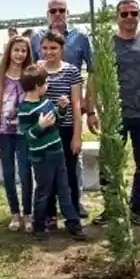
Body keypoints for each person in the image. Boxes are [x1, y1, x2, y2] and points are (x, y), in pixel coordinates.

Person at [90, 0, 140, 227]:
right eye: (124, 14)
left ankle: (136, 208)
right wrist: (90, 110)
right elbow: (94, 78)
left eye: (134, 13)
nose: (130, 18)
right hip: (115, 114)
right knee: (109, 162)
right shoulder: (106, 44)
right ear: (117, 17)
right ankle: (111, 207)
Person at [31, 0, 93, 212]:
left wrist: (88, 104)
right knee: (46, 169)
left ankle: (75, 206)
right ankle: (48, 211)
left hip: (70, 112)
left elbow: (92, 71)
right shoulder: (36, 38)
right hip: (45, 119)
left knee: (72, 164)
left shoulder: (81, 37)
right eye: (53, 11)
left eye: (61, 10)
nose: (57, 14)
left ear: (68, 12)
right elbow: (29, 75)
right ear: (47, 14)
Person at [18, 65, 86, 241]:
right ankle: (39, 226)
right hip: (42, 158)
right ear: (36, 86)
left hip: (57, 152)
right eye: (46, 82)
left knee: (65, 189)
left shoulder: (45, 101)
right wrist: (40, 127)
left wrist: (61, 108)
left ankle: (73, 223)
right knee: (43, 191)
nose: (48, 84)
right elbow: (28, 136)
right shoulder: (25, 109)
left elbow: (55, 120)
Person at [0, 36, 34, 231]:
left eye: (23, 51)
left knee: (25, 172)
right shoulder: (0, 78)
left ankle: (28, 213)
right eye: (16, 50)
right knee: (8, 173)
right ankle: (14, 213)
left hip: (25, 132)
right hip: (4, 132)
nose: (20, 54)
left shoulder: (30, 75)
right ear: (9, 52)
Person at [39, 32, 84, 225]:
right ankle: (49, 214)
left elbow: (76, 104)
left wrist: (77, 135)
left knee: (69, 173)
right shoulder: (37, 70)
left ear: (61, 49)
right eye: (45, 48)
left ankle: (72, 213)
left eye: (53, 48)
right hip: (44, 130)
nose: (49, 52)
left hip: (65, 130)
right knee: (46, 175)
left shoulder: (71, 71)